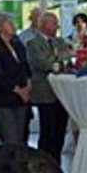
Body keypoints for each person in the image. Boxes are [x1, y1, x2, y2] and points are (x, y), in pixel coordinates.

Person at [28, 12, 71, 161]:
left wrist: (56, 60)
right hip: (45, 93)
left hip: (62, 94)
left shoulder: (60, 41)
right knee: (48, 132)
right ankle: (44, 166)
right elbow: (43, 64)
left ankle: (57, 165)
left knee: (60, 131)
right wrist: (58, 60)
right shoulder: (33, 43)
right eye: (54, 23)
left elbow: (69, 58)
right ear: (43, 25)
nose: (57, 26)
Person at [0, 15, 32, 144]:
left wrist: (27, 87)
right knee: (11, 138)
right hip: (4, 99)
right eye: (8, 23)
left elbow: (26, 68)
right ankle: (10, 164)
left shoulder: (18, 46)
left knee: (21, 137)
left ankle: (20, 163)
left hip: (21, 99)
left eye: (13, 22)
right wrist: (18, 91)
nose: (13, 25)